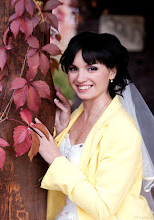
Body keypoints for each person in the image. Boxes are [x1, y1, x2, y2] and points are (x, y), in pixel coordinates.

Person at [33, 32, 154, 219]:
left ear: (112, 71)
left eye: (91, 69)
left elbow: (103, 208)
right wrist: (62, 130)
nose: (80, 78)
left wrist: (55, 159)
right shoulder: (73, 117)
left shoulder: (123, 130)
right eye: (74, 68)